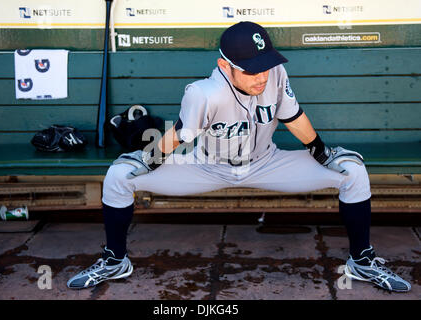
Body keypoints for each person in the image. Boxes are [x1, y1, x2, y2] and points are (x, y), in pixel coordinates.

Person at [67, 21, 411, 292]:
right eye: (250, 69)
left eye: (264, 64)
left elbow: (293, 117)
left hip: (268, 163)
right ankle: (115, 260)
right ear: (224, 65)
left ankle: (361, 261)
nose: (261, 75)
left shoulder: (274, 74)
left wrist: (321, 152)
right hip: (204, 167)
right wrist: (147, 159)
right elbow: (181, 136)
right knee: (117, 175)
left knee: (352, 169)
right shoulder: (203, 91)